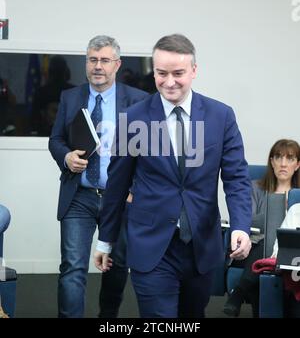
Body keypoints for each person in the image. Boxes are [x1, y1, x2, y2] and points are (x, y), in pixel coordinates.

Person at [94, 33, 252, 318]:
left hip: (200, 246)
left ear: (194, 70)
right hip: (151, 245)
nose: (169, 82)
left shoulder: (220, 116)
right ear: (153, 71)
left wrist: (240, 225)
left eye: (178, 73)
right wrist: (105, 240)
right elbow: (117, 185)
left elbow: (237, 177)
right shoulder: (133, 118)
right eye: (161, 73)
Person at [48, 35, 148, 318]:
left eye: (105, 60)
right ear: (86, 63)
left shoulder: (138, 101)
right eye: (93, 60)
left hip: (120, 200)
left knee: (115, 268)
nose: (98, 66)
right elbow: (55, 139)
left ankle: (108, 319)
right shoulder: (70, 97)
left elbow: (149, 153)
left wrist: (136, 189)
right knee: (72, 267)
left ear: (117, 64)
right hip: (79, 195)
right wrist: (66, 157)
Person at [223, 139, 300, 317]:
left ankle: (238, 293)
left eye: (289, 158)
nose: (283, 163)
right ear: (271, 161)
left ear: (297, 165)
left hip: (286, 255)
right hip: (250, 248)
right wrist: (280, 212)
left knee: (274, 248)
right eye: (278, 157)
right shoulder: (254, 188)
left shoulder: (298, 198)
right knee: (266, 242)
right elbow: (246, 221)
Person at [31, 55, 74, 136]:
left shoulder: (41, 92)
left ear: (50, 72)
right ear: (66, 71)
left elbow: (34, 120)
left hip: (44, 136)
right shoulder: (73, 91)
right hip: (67, 136)